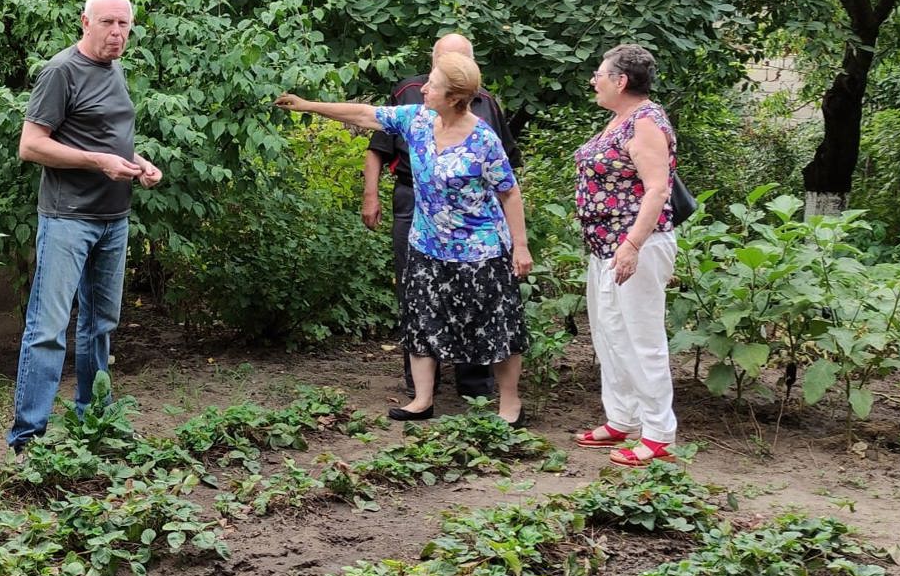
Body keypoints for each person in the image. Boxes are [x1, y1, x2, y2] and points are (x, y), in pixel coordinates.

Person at [277, 52, 532, 425]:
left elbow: (510, 192)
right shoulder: (418, 120)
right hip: (427, 246)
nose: (424, 89)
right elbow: (365, 115)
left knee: (496, 325)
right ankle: (422, 400)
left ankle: (510, 405)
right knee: (422, 320)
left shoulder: (484, 140)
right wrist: (307, 106)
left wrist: (520, 245)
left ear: (455, 97)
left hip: (481, 250)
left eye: (433, 85)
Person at [7, 0, 163, 453]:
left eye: (124, 25)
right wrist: (98, 163)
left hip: (114, 217)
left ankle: (94, 423)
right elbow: (31, 146)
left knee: (101, 325)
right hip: (68, 218)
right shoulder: (61, 71)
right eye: (108, 23)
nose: (117, 33)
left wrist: (138, 161)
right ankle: (28, 439)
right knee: (48, 329)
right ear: (85, 22)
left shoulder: (115, 69)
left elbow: (107, 139)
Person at [362, 33, 521, 399]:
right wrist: (371, 194)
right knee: (418, 296)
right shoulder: (412, 99)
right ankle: (421, 390)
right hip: (417, 208)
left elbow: (508, 180)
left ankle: (475, 388)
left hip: (476, 230)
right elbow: (373, 134)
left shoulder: (486, 113)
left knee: (478, 305)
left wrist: (518, 242)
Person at [572, 44, 679, 466]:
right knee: (610, 335)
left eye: (599, 74)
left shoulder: (647, 122)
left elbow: (657, 188)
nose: (593, 80)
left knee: (641, 339)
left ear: (621, 81)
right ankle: (623, 418)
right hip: (607, 248)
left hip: (636, 247)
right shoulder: (621, 120)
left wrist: (632, 245)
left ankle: (659, 434)